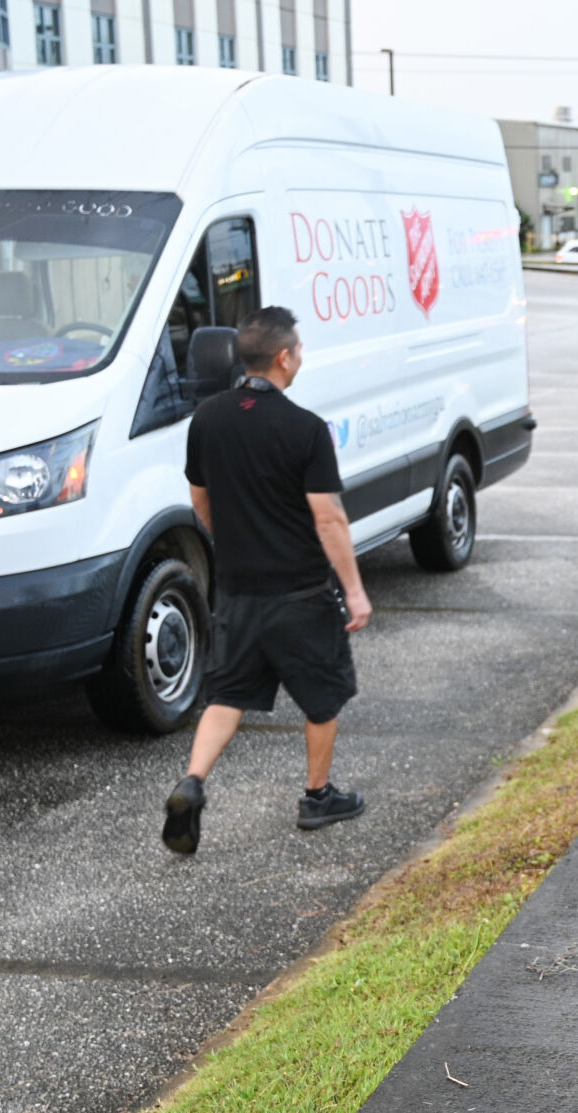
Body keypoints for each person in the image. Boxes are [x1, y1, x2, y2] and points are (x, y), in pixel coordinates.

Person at [161, 306, 372, 855]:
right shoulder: (305, 429)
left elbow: (200, 500)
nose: (300, 358)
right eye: (298, 350)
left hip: (237, 590)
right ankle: (318, 796)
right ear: (284, 357)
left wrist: (232, 544)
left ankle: (193, 782)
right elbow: (328, 517)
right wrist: (353, 588)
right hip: (299, 592)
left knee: (227, 693)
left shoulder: (207, 418)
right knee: (322, 696)